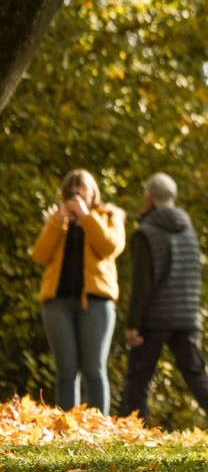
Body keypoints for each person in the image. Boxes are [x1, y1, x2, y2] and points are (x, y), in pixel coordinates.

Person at [119, 173, 208, 423]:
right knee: (196, 374)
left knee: (138, 377)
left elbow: (142, 284)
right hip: (186, 316)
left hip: (155, 317)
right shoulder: (188, 230)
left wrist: (133, 323)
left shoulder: (145, 233)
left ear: (149, 197)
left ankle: (129, 428)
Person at [31, 169, 126, 415]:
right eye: (72, 192)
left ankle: (98, 428)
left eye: (82, 190)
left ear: (93, 193)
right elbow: (39, 255)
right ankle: (67, 428)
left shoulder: (108, 216)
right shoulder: (57, 220)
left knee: (94, 369)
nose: (77, 196)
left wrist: (86, 216)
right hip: (58, 303)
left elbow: (110, 246)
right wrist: (58, 221)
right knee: (66, 370)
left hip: (96, 302)